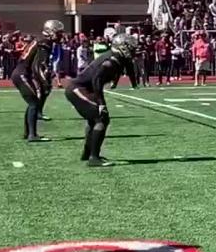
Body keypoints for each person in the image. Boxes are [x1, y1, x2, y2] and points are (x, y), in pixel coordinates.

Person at [65, 33, 139, 167]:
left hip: (84, 88)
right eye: (130, 47)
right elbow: (96, 80)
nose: (133, 50)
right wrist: (101, 103)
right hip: (79, 89)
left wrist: (134, 84)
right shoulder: (110, 61)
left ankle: (88, 154)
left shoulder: (118, 58)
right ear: (122, 47)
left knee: (94, 120)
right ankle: (94, 158)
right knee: (101, 118)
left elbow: (129, 66)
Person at [11, 20, 64, 142]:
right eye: (59, 33)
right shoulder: (45, 43)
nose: (61, 36)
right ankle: (32, 135)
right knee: (34, 103)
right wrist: (44, 82)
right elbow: (38, 66)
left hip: (21, 73)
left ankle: (28, 133)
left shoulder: (41, 40)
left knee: (32, 103)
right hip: (22, 74)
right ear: (51, 32)